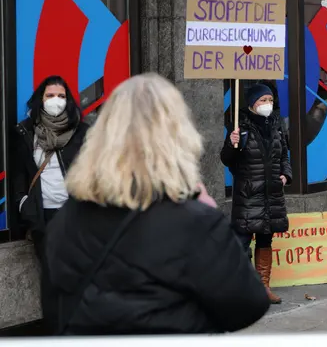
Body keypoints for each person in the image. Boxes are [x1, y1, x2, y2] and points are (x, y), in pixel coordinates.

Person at [46, 74, 270, 335]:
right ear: (177, 133)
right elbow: (248, 303)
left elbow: (55, 313)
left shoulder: (65, 220)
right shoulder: (194, 221)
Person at [12, 76, 89, 331]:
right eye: (50, 95)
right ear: (40, 100)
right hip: (43, 215)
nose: (56, 100)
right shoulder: (26, 132)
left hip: (75, 213)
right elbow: (19, 174)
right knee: (52, 276)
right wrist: (23, 202)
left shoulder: (80, 131)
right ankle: (58, 329)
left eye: (61, 96)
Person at [221, 83, 292, 304]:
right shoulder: (240, 128)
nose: (267, 105)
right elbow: (227, 160)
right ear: (252, 104)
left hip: (271, 194)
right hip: (249, 195)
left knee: (265, 240)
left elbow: (284, 157)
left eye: (270, 100)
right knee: (242, 241)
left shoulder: (277, 127)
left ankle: (263, 287)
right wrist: (232, 144)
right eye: (263, 100)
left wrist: (285, 176)